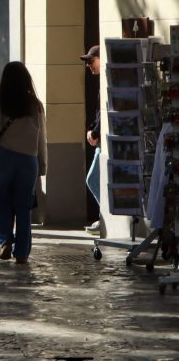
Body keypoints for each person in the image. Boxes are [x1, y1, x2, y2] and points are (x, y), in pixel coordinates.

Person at [0, 61, 48, 265]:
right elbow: (42, 138)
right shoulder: (35, 105)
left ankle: (5, 240)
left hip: (4, 158)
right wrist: (42, 164)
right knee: (23, 206)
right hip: (28, 160)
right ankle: (22, 252)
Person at [81, 46, 102, 235]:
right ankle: (104, 217)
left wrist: (94, 132)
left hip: (102, 141)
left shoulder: (105, 81)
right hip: (100, 140)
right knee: (95, 178)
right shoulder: (101, 82)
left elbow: (103, 112)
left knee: (93, 178)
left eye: (90, 60)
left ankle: (105, 217)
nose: (88, 65)